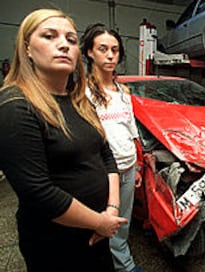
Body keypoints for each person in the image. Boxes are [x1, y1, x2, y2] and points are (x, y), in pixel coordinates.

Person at [0, 9, 128, 272]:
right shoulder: (16, 105)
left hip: (99, 230)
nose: (63, 45)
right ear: (27, 49)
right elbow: (38, 192)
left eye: (71, 40)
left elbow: (105, 154)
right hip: (56, 241)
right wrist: (99, 222)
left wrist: (112, 210)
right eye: (49, 36)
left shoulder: (79, 101)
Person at [81, 23, 143, 272]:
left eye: (115, 50)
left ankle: (120, 263)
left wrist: (137, 165)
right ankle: (123, 266)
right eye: (103, 49)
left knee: (120, 223)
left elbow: (131, 130)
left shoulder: (123, 91)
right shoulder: (82, 93)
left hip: (127, 168)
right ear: (89, 52)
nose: (109, 55)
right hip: (102, 173)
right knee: (99, 222)